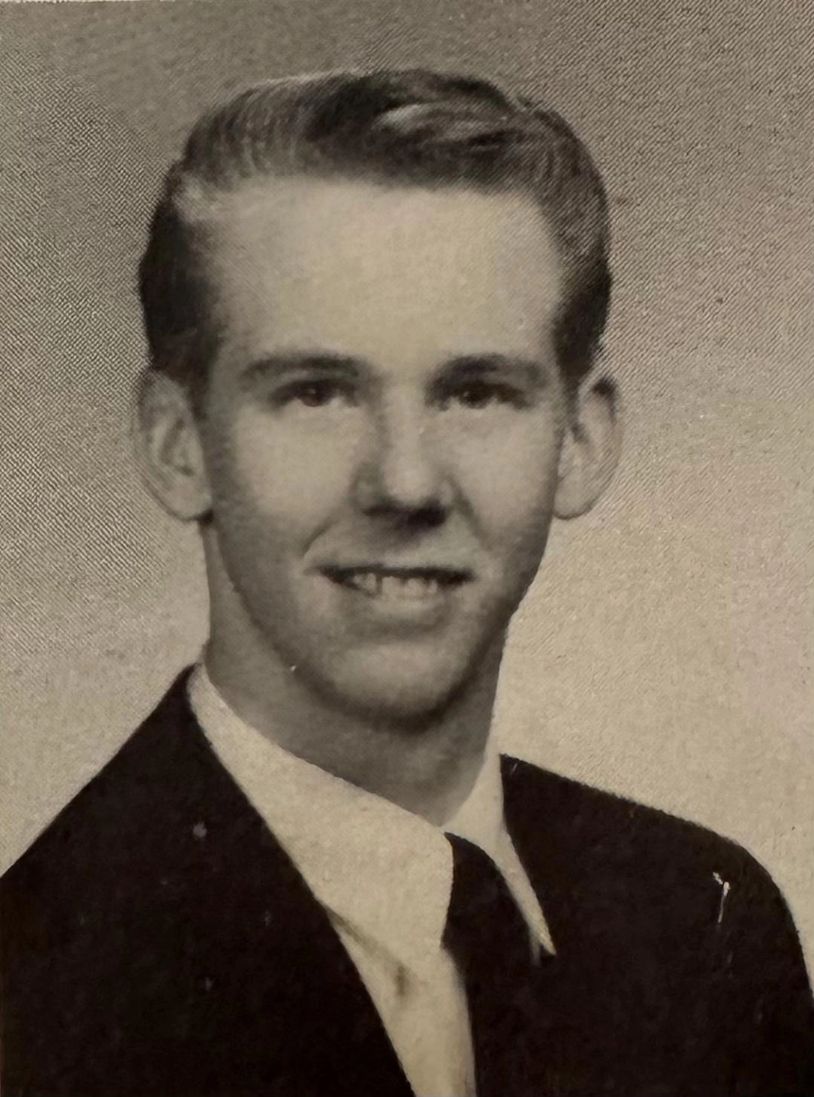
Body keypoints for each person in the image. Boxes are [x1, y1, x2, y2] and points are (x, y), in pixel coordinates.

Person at [1, 68, 811, 1097]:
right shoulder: (35, 996)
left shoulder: (708, 929)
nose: (406, 482)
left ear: (580, 436)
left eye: (475, 392)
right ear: (178, 444)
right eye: (317, 392)